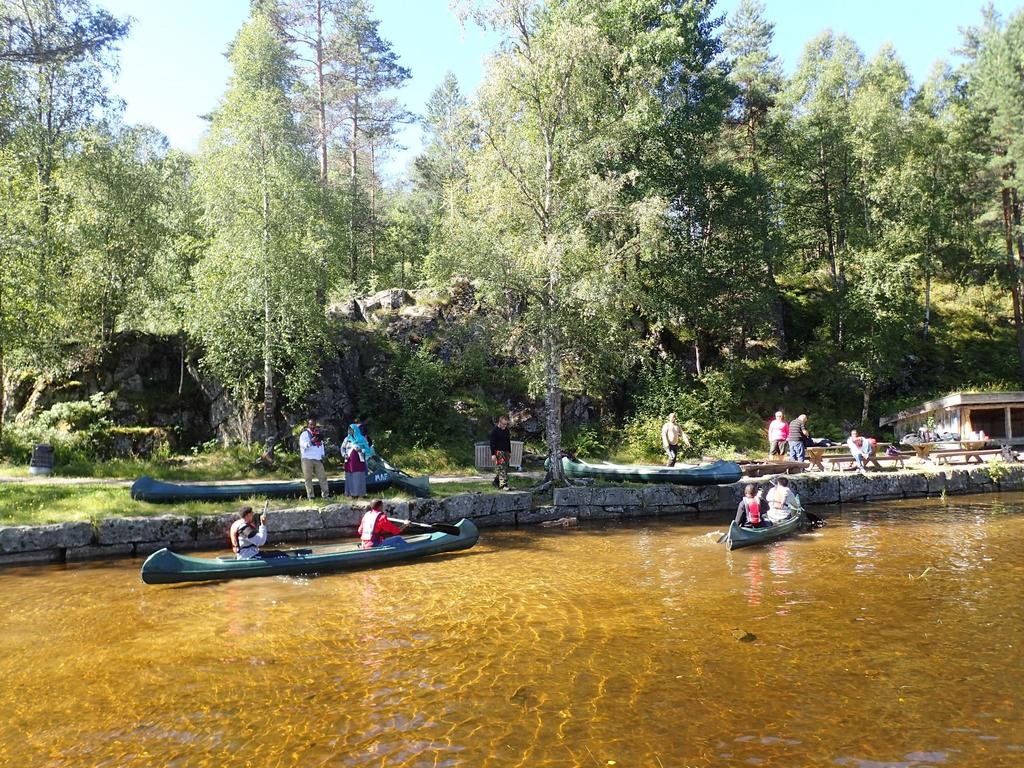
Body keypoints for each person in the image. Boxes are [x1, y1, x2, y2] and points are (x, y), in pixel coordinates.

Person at [299, 418, 330, 500]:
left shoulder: (318, 434)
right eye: (311, 424)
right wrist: (311, 441)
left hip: (317, 458)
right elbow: (303, 445)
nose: (313, 426)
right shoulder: (304, 434)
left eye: (314, 424)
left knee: (322, 477)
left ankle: (326, 495)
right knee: (308, 478)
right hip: (307, 458)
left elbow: (321, 445)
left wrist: (322, 455)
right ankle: (311, 496)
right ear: (308, 425)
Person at [341, 423, 372, 498]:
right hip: (348, 462)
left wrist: (361, 450)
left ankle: (360, 495)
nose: (349, 431)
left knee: (358, 477)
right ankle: (350, 494)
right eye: (348, 430)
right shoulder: (346, 439)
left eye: (351, 430)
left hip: (358, 461)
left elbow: (368, 450)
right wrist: (344, 454)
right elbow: (342, 448)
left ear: (355, 430)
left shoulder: (362, 439)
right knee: (349, 477)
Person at [489, 415, 512, 490]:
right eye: (503, 424)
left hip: (506, 452)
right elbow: (492, 443)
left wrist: (509, 451)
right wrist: (493, 454)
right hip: (498, 452)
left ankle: (496, 482)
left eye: (506, 424)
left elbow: (508, 441)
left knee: (506, 468)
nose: (504, 426)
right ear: (499, 422)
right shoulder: (494, 431)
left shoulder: (506, 430)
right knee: (501, 468)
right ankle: (503, 485)